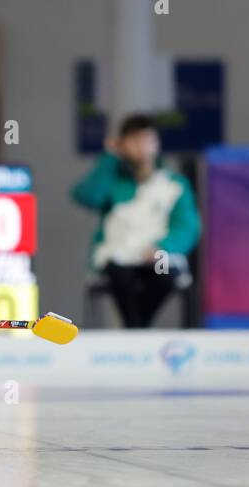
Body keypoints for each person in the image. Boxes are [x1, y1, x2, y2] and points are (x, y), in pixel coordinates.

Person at [71, 114, 201, 328]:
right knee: (118, 275)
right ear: (123, 144)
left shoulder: (173, 184)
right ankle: (137, 331)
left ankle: (136, 330)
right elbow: (86, 196)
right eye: (134, 140)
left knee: (164, 276)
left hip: (157, 255)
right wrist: (110, 157)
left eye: (147, 140)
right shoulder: (113, 182)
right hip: (119, 257)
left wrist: (163, 247)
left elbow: (188, 227)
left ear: (156, 143)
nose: (141, 147)